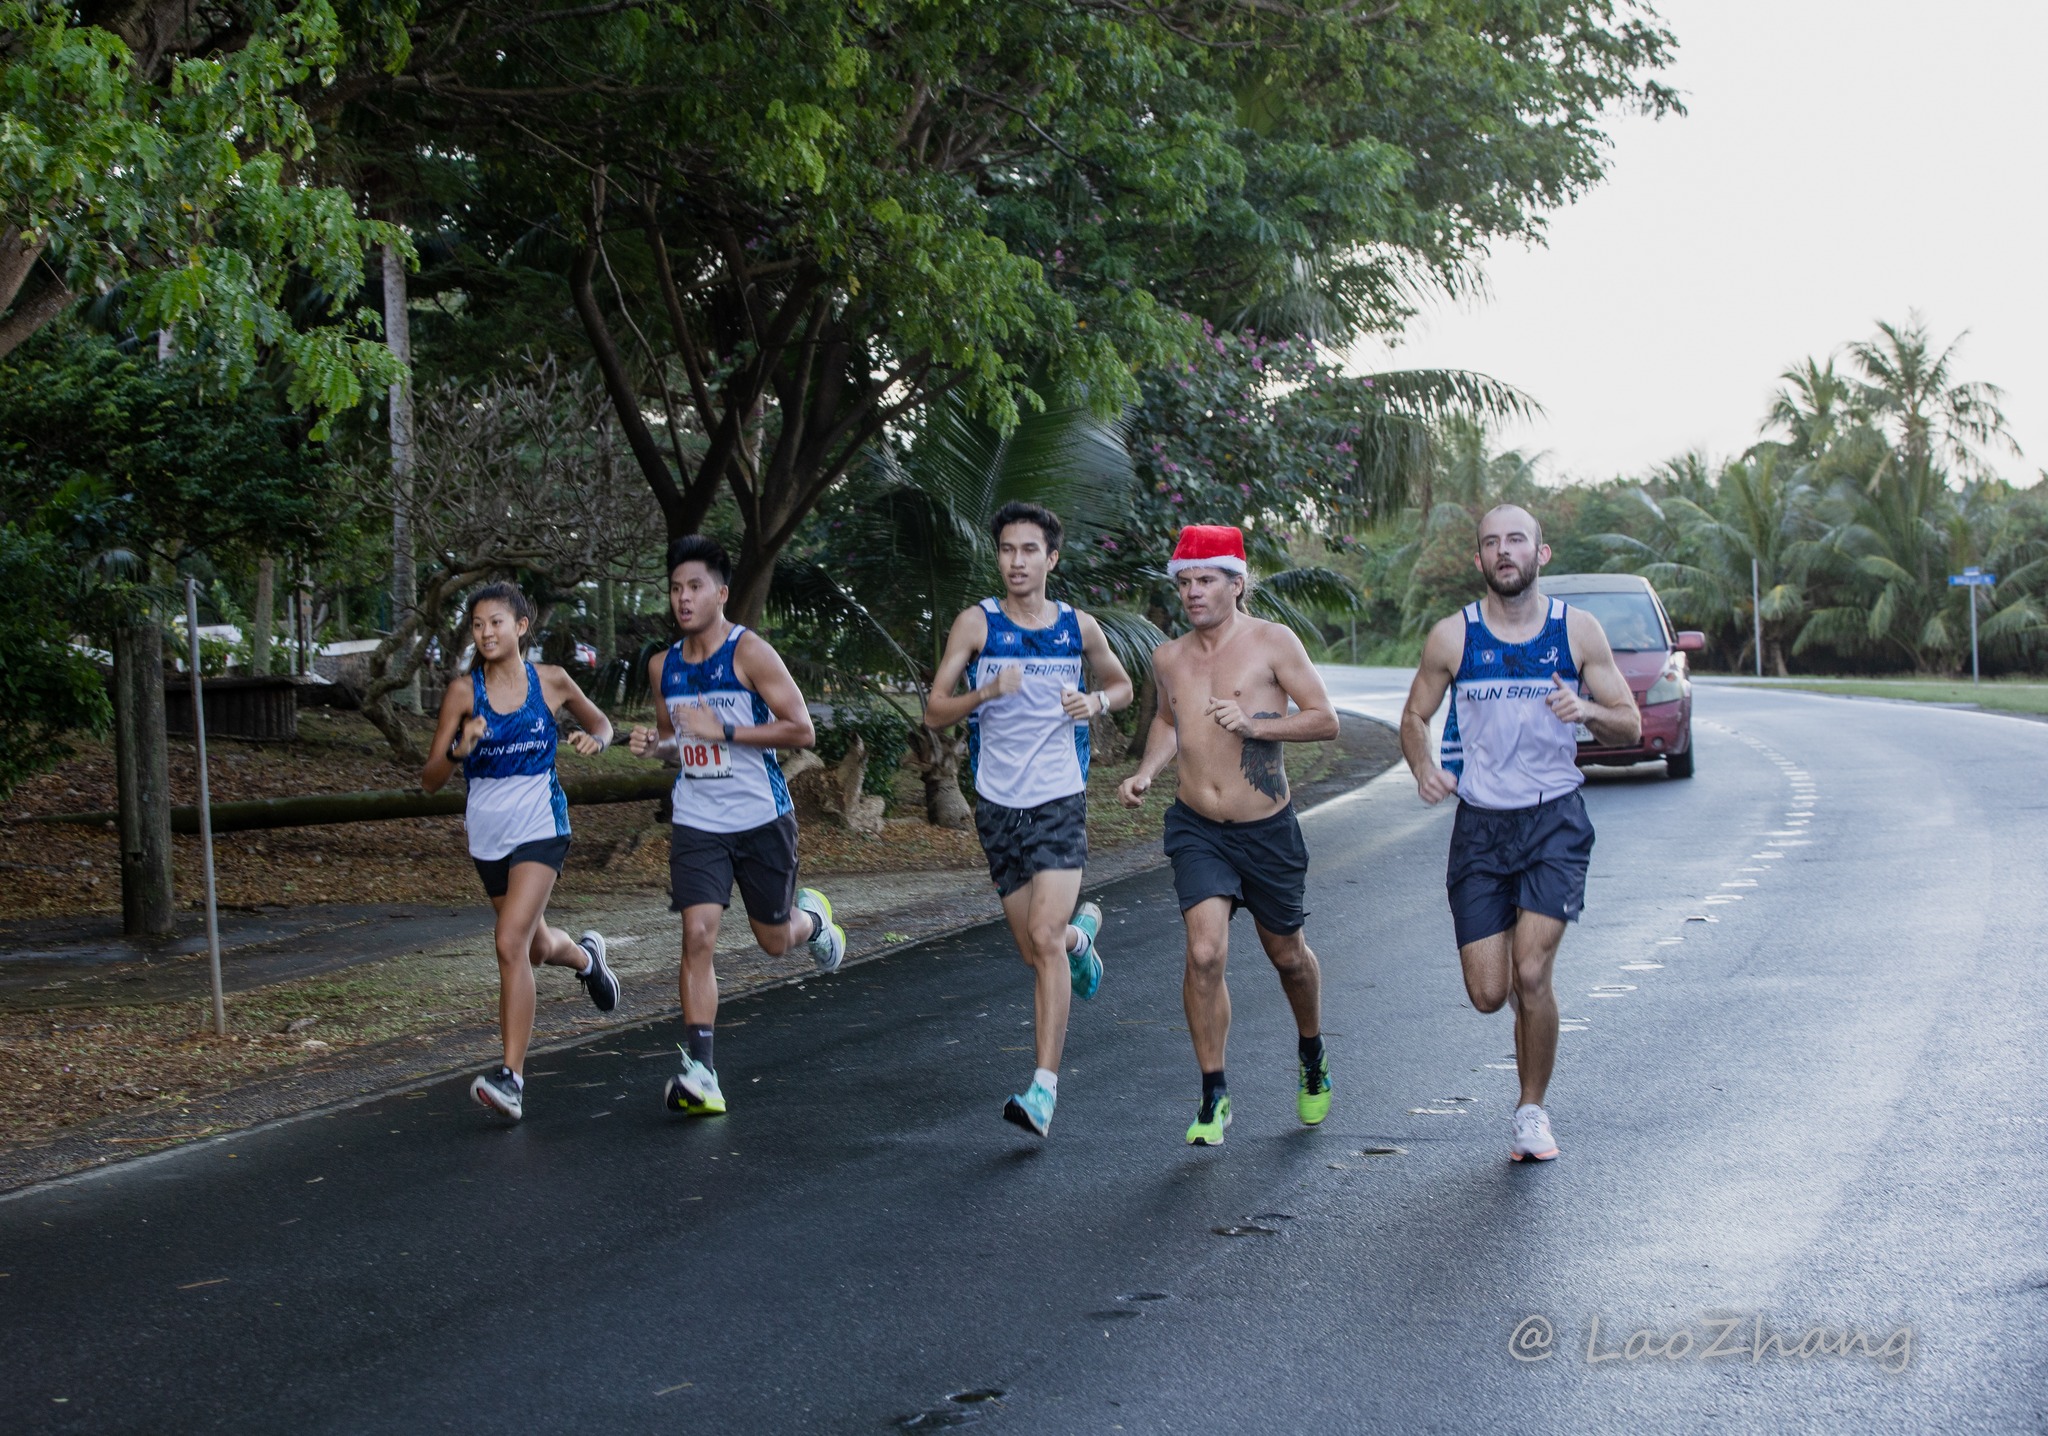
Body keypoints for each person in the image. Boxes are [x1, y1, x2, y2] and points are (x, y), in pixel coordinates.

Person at [1399, 504, 1639, 1162]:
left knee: (1532, 973)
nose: (1505, 552)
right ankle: (1524, 1054)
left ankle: (1531, 1110)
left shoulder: (1577, 633)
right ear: (1479, 561)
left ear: (1542, 553)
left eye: (1516, 541)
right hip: (1480, 827)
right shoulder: (1454, 638)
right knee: (1489, 993)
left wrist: (1584, 707)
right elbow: (1414, 717)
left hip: (1554, 819)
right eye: (1491, 544)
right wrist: (1424, 767)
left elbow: (1630, 724)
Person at [1117, 525, 1341, 1146]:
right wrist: (1145, 771)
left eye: (1205, 580)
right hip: (1197, 828)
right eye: (1184, 581)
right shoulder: (1168, 657)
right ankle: (1214, 1093)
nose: (1191, 592)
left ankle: (1312, 1053)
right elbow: (1168, 718)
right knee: (1205, 953)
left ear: (1236, 584)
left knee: (1288, 957)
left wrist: (1257, 723)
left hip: (1267, 830)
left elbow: (1325, 720)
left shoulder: (1273, 642)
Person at [924, 501, 1135, 1136]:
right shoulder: (976, 625)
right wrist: (984, 693)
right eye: (1007, 550)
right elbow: (935, 710)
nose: (1016, 561)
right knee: (1035, 947)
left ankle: (1042, 1090)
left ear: (1052, 558)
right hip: (997, 807)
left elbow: (1121, 685)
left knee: (1041, 938)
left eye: (1028, 550)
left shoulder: (1079, 627)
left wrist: (1093, 700)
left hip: (1059, 800)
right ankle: (1081, 940)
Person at [628, 535, 845, 1118]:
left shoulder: (750, 655)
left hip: (760, 819)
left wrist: (724, 730)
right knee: (697, 936)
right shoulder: (662, 666)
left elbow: (802, 730)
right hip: (698, 821)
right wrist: (659, 746)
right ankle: (701, 1071)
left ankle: (816, 919)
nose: (683, 598)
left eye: (694, 586)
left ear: (721, 593)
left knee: (774, 942)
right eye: (675, 588)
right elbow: (678, 744)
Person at [422, 582, 621, 1123]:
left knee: (508, 942)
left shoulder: (551, 682)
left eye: (496, 622)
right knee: (530, 950)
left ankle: (511, 1078)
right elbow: (431, 778)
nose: (486, 632)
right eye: (478, 624)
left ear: (521, 626)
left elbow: (601, 722)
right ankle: (585, 958)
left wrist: (596, 740)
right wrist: (458, 749)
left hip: (541, 826)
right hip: (488, 837)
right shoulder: (464, 693)